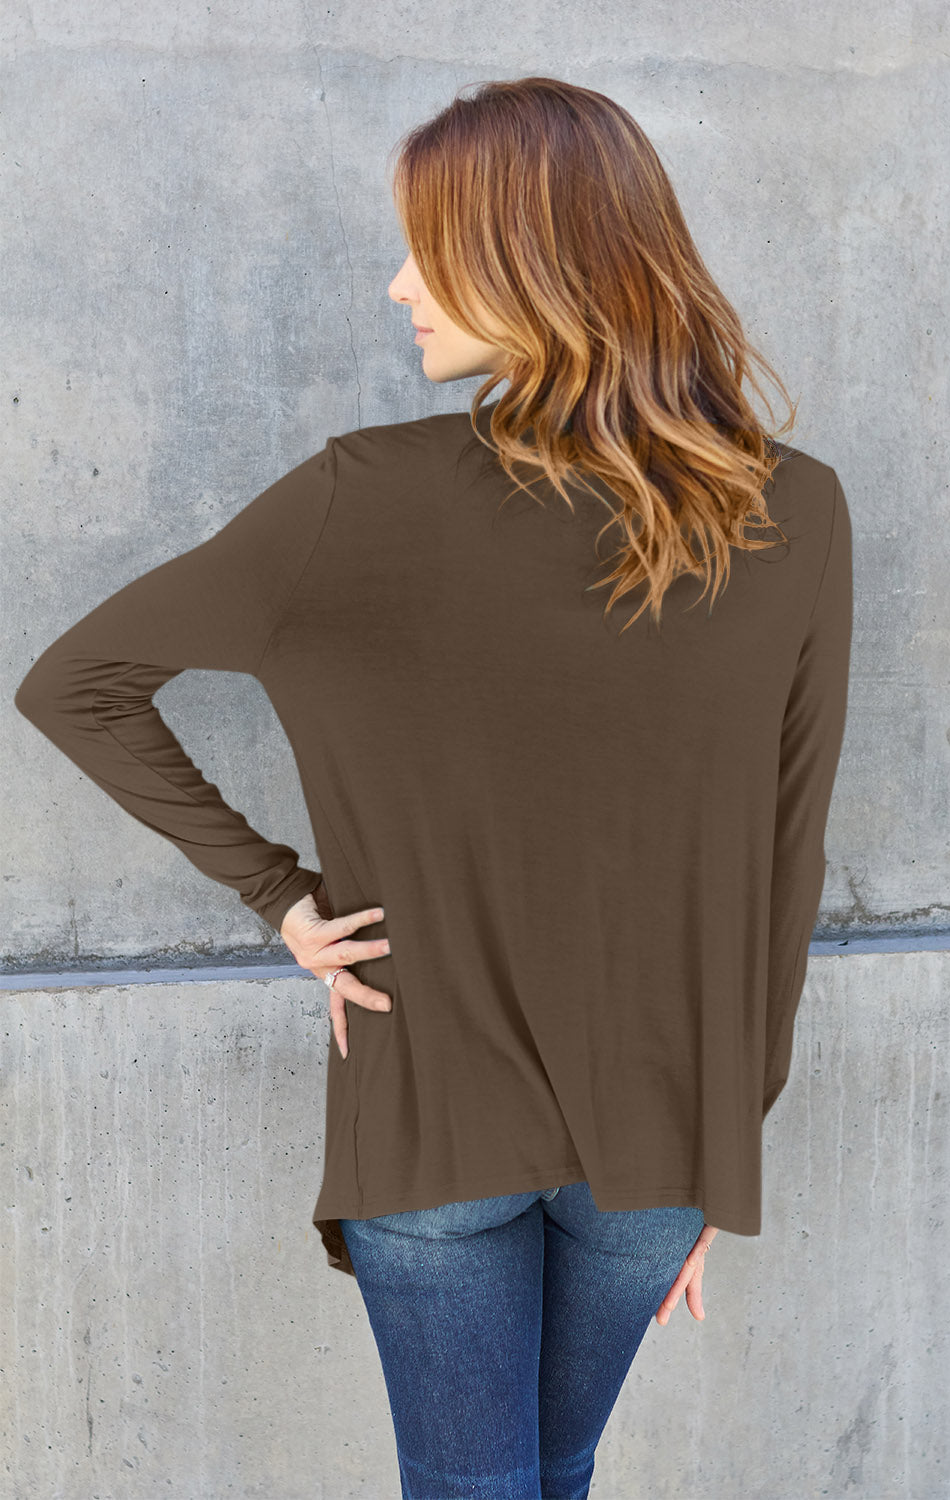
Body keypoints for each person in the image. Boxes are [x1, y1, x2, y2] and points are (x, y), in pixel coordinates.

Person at [14, 75, 853, 1500]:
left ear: (536, 260)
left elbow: (73, 684)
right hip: (661, 1140)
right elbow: (789, 865)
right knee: (560, 1472)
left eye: (431, 246)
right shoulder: (791, 506)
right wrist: (726, 1143)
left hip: (432, 1117)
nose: (396, 282)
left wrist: (279, 896)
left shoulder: (352, 499)